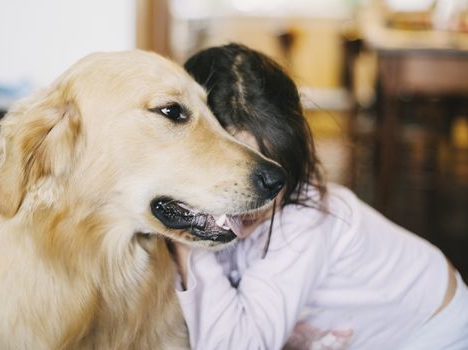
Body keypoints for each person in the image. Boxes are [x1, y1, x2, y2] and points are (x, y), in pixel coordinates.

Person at [171, 43, 468, 350]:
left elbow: (239, 345)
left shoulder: (304, 221)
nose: (252, 200)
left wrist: (189, 239)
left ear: (294, 160)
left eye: (269, 178)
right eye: (231, 175)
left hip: (433, 327)